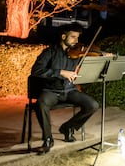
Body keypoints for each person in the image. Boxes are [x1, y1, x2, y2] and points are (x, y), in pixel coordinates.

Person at [31, 23, 99, 155]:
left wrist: (102, 57)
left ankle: (68, 127)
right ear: (63, 36)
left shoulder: (77, 53)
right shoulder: (49, 52)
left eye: (77, 38)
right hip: (51, 91)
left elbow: (87, 64)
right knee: (41, 103)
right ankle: (48, 139)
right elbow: (36, 70)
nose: (76, 41)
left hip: (70, 91)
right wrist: (60, 72)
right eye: (73, 37)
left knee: (93, 105)